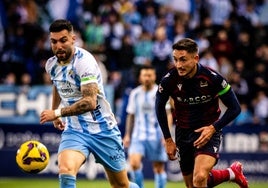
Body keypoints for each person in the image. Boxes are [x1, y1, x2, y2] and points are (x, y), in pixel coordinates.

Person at [39, 19, 139, 188]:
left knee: (121, 185)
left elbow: (89, 102)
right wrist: (54, 108)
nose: (59, 46)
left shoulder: (85, 62)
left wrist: (57, 113)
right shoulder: (51, 64)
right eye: (54, 42)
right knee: (65, 169)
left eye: (63, 40)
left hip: (103, 129)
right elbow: (58, 85)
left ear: (73, 39)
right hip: (75, 130)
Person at [155, 38, 249, 188]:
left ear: (195, 58)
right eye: (176, 60)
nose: (178, 65)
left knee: (199, 178)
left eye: (183, 60)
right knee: (193, 184)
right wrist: (168, 139)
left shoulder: (212, 78)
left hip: (208, 132)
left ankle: (231, 172)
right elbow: (159, 107)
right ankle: (231, 173)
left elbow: (235, 108)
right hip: (183, 133)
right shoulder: (169, 80)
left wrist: (213, 128)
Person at [123, 65, 171, 188]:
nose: (147, 78)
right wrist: (127, 135)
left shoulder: (160, 93)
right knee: (134, 164)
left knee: (158, 168)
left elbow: (168, 114)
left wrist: (167, 136)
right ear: (140, 77)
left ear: (154, 77)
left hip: (156, 135)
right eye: (145, 75)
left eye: (150, 75)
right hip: (138, 135)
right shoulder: (135, 93)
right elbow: (131, 115)